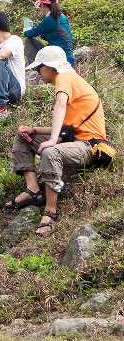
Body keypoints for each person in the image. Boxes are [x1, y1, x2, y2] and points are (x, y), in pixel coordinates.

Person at [7, 46, 106, 235]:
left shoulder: (65, 77)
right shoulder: (70, 80)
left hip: (91, 146)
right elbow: (66, 128)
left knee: (51, 152)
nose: (38, 73)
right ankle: (33, 190)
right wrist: (34, 130)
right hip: (74, 140)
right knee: (24, 138)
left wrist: (52, 140)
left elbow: (60, 105)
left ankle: (50, 211)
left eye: (39, 68)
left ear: (51, 66)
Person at [24, 0, 75, 66]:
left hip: (61, 59)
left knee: (28, 41)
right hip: (68, 58)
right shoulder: (61, 16)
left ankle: (36, 68)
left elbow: (28, 34)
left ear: (42, 5)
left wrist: (26, 30)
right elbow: (50, 35)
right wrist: (36, 30)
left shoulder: (51, 19)